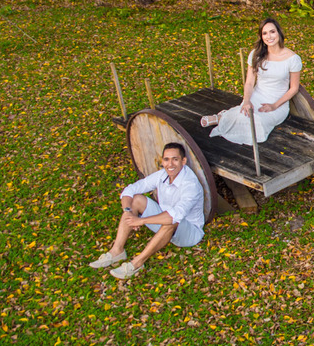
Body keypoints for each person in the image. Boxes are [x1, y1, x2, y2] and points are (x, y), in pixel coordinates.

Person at [90, 142, 204, 280]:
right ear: (162, 161)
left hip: (189, 232)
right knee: (136, 199)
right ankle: (117, 251)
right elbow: (130, 190)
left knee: (172, 220)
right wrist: (128, 212)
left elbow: (175, 216)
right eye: (166, 159)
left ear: (183, 161)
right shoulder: (162, 175)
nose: (170, 164)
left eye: (175, 159)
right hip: (164, 223)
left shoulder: (190, 184)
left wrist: (141, 220)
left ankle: (137, 263)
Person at [201, 17, 302, 145]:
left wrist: (274, 105)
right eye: (264, 33)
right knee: (245, 114)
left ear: (279, 33)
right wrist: (247, 100)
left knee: (258, 124)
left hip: (278, 103)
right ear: (261, 36)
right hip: (257, 96)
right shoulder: (256, 54)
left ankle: (224, 117)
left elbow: (294, 88)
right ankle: (222, 117)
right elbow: (249, 82)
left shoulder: (292, 58)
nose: (269, 36)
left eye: (272, 32)